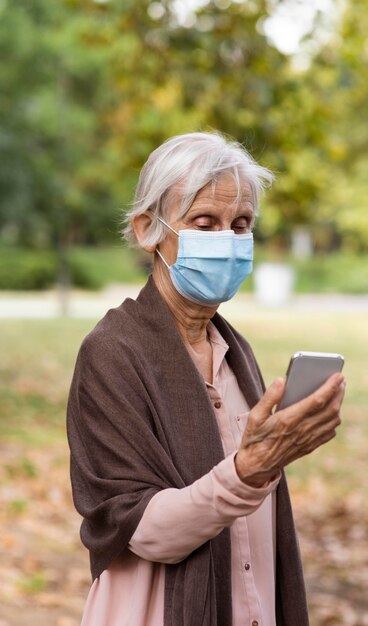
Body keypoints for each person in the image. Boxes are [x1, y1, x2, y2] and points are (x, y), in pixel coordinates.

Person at [67, 132, 345, 626]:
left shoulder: (235, 351)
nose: (228, 241)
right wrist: (249, 471)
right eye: (204, 222)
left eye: (241, 225)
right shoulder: (112, 352)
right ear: (148, 229)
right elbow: (144, 530)